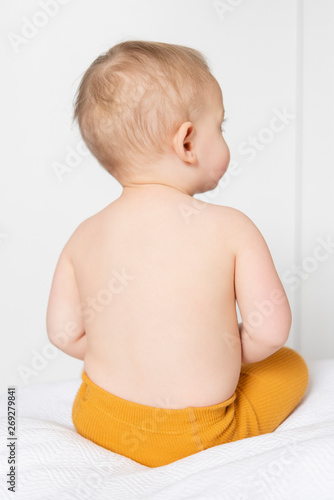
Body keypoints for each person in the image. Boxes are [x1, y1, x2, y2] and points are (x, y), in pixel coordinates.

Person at [46, 40, 309, 468]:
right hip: (198, 435)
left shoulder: (84, 234)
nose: (224, 137)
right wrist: (215, 352)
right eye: (220, 126)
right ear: (187, 142)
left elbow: (63, 334)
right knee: (291, 366)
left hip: (99, 419)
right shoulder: (231, 226)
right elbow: (270, 333)